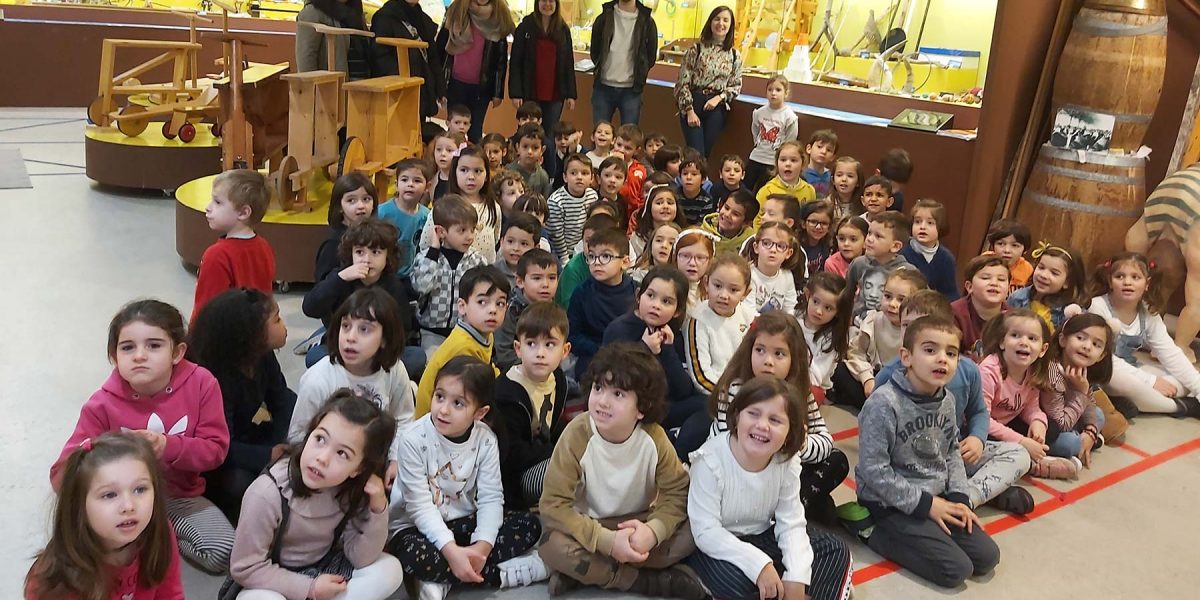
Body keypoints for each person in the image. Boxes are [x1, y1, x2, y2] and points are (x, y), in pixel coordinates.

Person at [51, 300, 234, 574]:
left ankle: (160, 535)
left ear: (178, 352)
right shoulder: (101, 405)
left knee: (223, 552)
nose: (139, 355)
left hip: (177, 497)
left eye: (154, 345)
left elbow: (216, 450)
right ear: (114, 357)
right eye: (127, 347)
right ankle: (142, 538)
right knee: (76, 562)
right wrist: (98, 463)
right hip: (122, 501)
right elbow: (61, 474)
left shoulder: (202, 384)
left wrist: (168, 446)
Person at [538, 343, 705, 599]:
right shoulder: (576, 434)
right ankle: (648, 582)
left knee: (691, 533)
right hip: (592, 525)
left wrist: (653, 531)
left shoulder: (655, 438)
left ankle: (585, 573)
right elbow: (553, 505)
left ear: (642, 408)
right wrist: (607, 541)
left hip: (638, 522)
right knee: (552, 545)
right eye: (598, 388)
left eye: (618, 394)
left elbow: (678, 492)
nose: (602, 401)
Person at [855, 316, 1000, 588]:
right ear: (906, 357)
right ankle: (868, 531)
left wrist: (959, 499)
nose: (942, 359)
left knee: (987, 557)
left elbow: (951, 452)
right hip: (888, 502)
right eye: (930, 350)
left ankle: (931, 525)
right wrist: (927, 506)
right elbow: (874, 471)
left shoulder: (947, 399)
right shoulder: (884, 404)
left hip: (934, 495)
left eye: (951, 353)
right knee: (955, 570)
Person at [390, 357, 545, 598]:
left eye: (458, 403)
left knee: (529, 525)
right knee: (409, 554)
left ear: (480, 413)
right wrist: (451, 551)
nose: (443, 409)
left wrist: (482, 546)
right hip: (416, 527)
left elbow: (491, 498)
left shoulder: (486, 439)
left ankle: (445, 577)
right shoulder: (412, 439)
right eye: (439, 396)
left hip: (463, 520)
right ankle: (501, 574)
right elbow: (419, 508)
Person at [686, 377, 854, 600]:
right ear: (736, 416)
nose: (762, 425)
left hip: (763, 534)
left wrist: (796, 575)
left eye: (775, 420)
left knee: (835, 552)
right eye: (753, 414)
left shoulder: (787, 460)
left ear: (789, 432)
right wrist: (758, 565)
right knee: (740, 581)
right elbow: (706, 532)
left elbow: (791, 522)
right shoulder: (709, 461)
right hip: (718, 546)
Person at [226, 391, 404, 600]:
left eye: (342, 453)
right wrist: (309, 588)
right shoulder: (266, 493)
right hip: (273, 579)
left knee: (390, 569)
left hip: (325, 568)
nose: (322, 458)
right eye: (320, 439)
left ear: (358, 468)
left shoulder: (350, 488)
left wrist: (378, 507)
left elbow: (360, 558)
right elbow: (245, 568)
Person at [874, 291, 1035, 515]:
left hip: (953, 455)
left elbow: (979, 411)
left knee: (1019, 455)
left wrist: (978, 438)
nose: (910, 332)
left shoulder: (968, 371)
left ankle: (968, 498)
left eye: (921, 325)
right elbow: (874, 437)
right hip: (909, 464)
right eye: (905, 326)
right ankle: (965, 495)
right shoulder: (887, 377)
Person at [27, 433, 184, 599]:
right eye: (109, 495)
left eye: (140, 489)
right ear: (78, 505)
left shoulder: (160, 531)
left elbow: (171, 594)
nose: (128, 506)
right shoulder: (55, 582)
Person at [289, 288, 415, 488]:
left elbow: (403, 417)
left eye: (364, 329)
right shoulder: (317, 379)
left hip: (374, 459)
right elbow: (298, 436)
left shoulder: (394, 369)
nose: (350, 337)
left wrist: (396, 459)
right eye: (345, 326)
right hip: (331, 466)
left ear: (384, 339)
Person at [189, 289, 295, 522]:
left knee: (296, 407)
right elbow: (219, 448)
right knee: (238, 483)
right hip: (215, 459)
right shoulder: (215, 380)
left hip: (244, 437)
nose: (284, 324)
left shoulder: (261, 356)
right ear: (251, 335)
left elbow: (282, 399)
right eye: (277, 319)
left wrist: (279, 443)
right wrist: (269, 454)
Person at [1087, 252, 1200, 417]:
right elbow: (1104, 358)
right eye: (1120, 276)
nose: (1127, 282)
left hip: (1132, 368)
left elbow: (1170, 353)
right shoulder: (1097, 307)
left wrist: (1198, 388)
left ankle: (1127, 401)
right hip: (1101, 371)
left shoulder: (1148, 313)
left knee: (1184, 380)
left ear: (1147, 284)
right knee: (1122, 381)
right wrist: (1150, 381)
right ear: (1110, 281)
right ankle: (1180, 407)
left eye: (1135, 277)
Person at [302, 219, 420, 375]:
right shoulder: (341, 277)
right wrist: (339, 278)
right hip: (344, 347)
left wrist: (375, 350)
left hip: (378, 351)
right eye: (359, 252)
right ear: (350, 253)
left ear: (387, 256)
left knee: (417, 358)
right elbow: (310, 308)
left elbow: (403, 328)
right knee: (314, 357)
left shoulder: (394, 285)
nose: (367, 259)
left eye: (376, 252)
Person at [979, 309, 1082, 479]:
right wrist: (1021, 441)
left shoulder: (1033, 370)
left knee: (1053, 429)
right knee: (989, 441)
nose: (1024, 342)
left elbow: (1031, 406)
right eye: (1015, 335)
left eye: (1032, 338)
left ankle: (1031, 457)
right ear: (1002, 342)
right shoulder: (989, 371)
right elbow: (981, 420)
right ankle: (1034, 465)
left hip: (1007, 424)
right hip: (982, 428)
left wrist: (1038, 422)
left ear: (1043, 349)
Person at [603, 265, 701, 430]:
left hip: (658, 406)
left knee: (705, 403)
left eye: (666, 301)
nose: (656, 305)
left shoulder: (670, 334)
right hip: (625, 407)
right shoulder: (619, 329)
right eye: (650, 296)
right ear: (638, 296)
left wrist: (668, 350)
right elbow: (613, 381)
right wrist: (644, 349)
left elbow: (682, 390)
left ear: (677, 311)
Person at [416, 265, 510, 417]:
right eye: (482, 302)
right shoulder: (463, 346)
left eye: (500, 303)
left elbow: (487, 368)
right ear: (462, 306)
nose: (493, 310)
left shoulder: (484, 333)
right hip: (437, 418)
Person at [834, 268, 928, 410]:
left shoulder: (921, 330)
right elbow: (856, 353)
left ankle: (881, 406)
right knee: (839, 370)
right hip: (874, 374)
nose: (892, 304)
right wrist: (867, 378)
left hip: (901, 381)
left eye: (901, 300)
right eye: (888, 296)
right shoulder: (873, 320)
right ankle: (874, 404)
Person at [192, 169, 275, 323]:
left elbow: (207, 310)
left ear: (243, 213)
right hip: (255, 335)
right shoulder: (264, 247)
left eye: (217, 202)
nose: (208, 207)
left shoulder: (217, 255)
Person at [413, 194, 489, 354]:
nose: (469, 236)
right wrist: (433, 250)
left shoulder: (477, 261)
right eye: (462, 230)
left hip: (466, 331)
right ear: (441, 231)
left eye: (472, 229)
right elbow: (422, 286)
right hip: (432, 332)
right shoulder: (425, 258)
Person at [436, 0, 516, 142]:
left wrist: (497, 92)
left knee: (475, 130)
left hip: (481, 87)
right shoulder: (456, 10)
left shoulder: (498, 16)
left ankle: (472, 163)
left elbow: (500, 60)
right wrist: (439, 85)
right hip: (455, 82)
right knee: (454, 130)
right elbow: (441, 48)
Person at [1042, 313, 1113, 465]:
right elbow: (1060, 424)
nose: (1087, 346)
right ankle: (1081, 443)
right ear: (1063, 340)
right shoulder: (1052, 374)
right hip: (1048, 426)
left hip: (1068, 414)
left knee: (1098, 414)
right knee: (1070, 443)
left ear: (1101, 355)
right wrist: (1081, 392)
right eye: (1080, 338)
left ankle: (1087, 440)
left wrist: (1090, 433)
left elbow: (1090, 404)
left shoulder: (1081, 371)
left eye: (1096, 344)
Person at [568, 226, 638, 377]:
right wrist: (598, 349)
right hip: (594, 354)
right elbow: (573, 335)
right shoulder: (582, 293)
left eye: (606, 256)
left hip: (631, 354)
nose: (596, 262)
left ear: (624, 262)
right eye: (592, 256)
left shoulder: (637, 292)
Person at [675, 5, 742, 158]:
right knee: (695, 153)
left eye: (726, 20)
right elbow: (682, 82)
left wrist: (719, 98)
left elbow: (736, 85)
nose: (721, 23)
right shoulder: (696, 49)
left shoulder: (734, 55)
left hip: (716, 107)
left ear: (731, 25)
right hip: (694, 102)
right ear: (710, 22)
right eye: (717, 19)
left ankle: (700, 181)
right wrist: (689, 111)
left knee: (706, 154)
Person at [683, 254, 755, 395]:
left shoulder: (748, 316)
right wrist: (729, 397)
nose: (723, 295)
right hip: (712, 395)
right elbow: (701, 377)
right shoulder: (697, 320)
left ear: (746, 293)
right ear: (706, 283)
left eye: (733, 290)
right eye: (717, 286)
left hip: (745, 390)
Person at [370, 0, 444, 119]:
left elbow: (433, 57)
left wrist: (440, 87)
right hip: (395, 91)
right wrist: (402, 80)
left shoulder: (424, 20)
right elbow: (380, 55)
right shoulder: (385, 16)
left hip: (422, 88)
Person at [589, 0, 658, 126]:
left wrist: (641, 72)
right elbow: (595, 50)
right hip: (603, 86)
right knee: (600, 136)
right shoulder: (604, 17)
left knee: (629, 138)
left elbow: (650, 55)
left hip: (632, 90)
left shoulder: (647, 21)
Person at [494, 249, 559, 371]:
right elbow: (504, 354)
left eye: (551, 278)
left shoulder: (555, 310)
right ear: (520, 281)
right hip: (514, 370)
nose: (545, 284)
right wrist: (533, 366)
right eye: (537, 278)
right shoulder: (511, 311)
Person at [1006, 242, 1086, 334]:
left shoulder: (1071, 312)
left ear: (1067, 282)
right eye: (1041, 267)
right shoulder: (1017, 298)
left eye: (1054, 273)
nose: (1044, 275)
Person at [845, 210, 911, 321]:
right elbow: (847, 294)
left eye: (878, 236)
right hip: (857, 326)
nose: (869, 239)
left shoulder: (908, 272)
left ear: (895, 246)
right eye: (869, 233)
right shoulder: (859, 264)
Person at [799, 272, 853, 405]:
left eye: (828, 308)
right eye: (815, 302)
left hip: (812, 385)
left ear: (838, 312)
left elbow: (817, 378)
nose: (819, 311)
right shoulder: (794, 317)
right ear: (808, 296)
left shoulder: (830, 339)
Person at [315, 173, 379, 284]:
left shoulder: (376, 234)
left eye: (366, 199)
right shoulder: (333, 243)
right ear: (339, 206)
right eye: (351, 201)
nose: (361, 206)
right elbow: (321, 285)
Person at [377, 158, 432, 281]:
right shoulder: (381, 212)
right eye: (404, 180)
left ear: (427, 186)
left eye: (417, 180)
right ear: (396, 184)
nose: (410, 184)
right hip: (385, 275)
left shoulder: (427, 216)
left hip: (411, 276)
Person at [951, 253, 1011, 361]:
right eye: (985, 278)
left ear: (1008, 289)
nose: (994, 283)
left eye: (1001, 279)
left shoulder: (1013, 318)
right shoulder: (954, 313)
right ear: (969, 287)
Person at [554, 213, 621, 307]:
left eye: (599, 241)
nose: (592, 246)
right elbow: (569, 307)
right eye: (588, 241)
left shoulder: (616, 262)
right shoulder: (573, 269)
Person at [900, 198, 959, 300]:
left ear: (941, 227)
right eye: (917, 222)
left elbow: (950, 293)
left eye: (930, 223)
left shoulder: (946, 258)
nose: (922, 227)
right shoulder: (901, 253)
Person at [746, 76, 797, 192]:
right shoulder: (759, 112)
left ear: (786, 93)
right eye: (770, 90)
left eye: (778, 90)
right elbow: (755, 130)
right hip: (756, 157)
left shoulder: (789, 117)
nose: (773, 93)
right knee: (746, 190)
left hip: (772, 162)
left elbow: (790, 141)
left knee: (764, 191)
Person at [296, 0, 370, 79]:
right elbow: (306, 59)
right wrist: (312, 88)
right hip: (333, 86)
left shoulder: (355, 12)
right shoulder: (312, 13)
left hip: (363, 84)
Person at [547, 154, 600, 262]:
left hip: (584, 249)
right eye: (573, 173)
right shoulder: (556, 201)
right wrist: (565, 259)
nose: (579, 177)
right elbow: (556, 235)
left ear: (591, 178)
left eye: (584, 173)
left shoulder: (592, 196)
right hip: (561, 253)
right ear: (565, 177)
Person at [742, 222, 799, 315]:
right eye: (766, 243)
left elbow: (790, 309)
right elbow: (749, 313)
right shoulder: (748, 275)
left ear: (788, 253)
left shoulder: (787, 276)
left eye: (780, 246)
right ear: (756, 247)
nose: (773, 250)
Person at [754, 141, 815, 222]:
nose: (788, 164)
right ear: (777, 163)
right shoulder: (767, 190)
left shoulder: (809, 190)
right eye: (783, 160)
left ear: (802, 163)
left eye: (793, 160)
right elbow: (757, 220)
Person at [631, 184, 688, 258]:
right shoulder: (638, 237)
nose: (665, 206)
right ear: (649, 207)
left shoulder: (684, 235)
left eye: (670, 203)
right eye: (659, 203)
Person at [701, 189, 757, 256]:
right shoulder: (702, 233)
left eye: (735, 214)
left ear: (747, 223)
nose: (727, 214)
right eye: (726, 208)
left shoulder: (750, 242)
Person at [494, 212, 542, 289]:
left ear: (536, 248)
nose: (516, 248)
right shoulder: (493, 273)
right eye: (510, 241)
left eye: (524, 244)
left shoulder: (540, 273)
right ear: (502, 242)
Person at [615, 124, 650, 224]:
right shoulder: (608, 164)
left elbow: (642, 193)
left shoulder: (640, 169)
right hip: (615, 211)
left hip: (633, 215)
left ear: (636, 150)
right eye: (619, 145)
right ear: (614, 142)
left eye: (628, 148)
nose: (621, 150)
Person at [985, 218, 1033, 291]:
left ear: (1025, 250)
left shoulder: (1027, 269)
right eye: (1000, 244)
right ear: (993, 246)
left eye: (1015, 245)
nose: (1007, 250)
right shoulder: (983, 262)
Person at [506, 124, 552, 198]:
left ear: (542, 150)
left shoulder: (542, 176)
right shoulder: (507, 172)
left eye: (535, 148)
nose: (529, 151)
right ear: (517, 148)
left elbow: (544, 204)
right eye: (525, 146)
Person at [797, 200, 835, 277]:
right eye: (813, 222)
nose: (818, 227)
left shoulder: (830, 246)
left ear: (829, 227)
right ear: (803, 224)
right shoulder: (795, 246)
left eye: (824, 223)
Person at [427, 131, 467, 200]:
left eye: (449, 150)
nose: (443, 154)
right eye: (439, 149)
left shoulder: (463, 180)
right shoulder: (432, 179)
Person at [677, 156, 715, 225]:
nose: (688, 177)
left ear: (703, 179)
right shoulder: (674, 195)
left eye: (694, 174)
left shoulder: (706, 200)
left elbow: (703, 224)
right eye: (685, 174)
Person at [802, 130, 837, 199]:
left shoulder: (832, 178)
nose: (823, 152)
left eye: (829, 150)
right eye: (819, 147)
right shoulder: (800, 173)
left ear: (832, 157)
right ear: (809, 149)